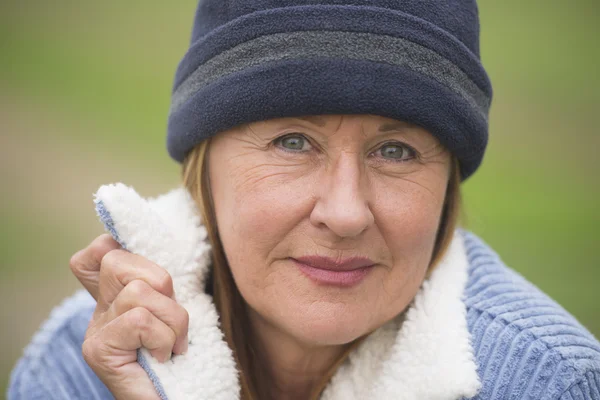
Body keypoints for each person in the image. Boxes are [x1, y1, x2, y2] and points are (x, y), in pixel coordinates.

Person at [8, 1, 600, 399]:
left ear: (448, 181)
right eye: (293, 142)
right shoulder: (79, 368)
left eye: (395, 151)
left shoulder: (545, 381)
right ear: (202, 167)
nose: (345, 213)